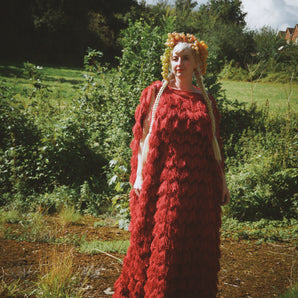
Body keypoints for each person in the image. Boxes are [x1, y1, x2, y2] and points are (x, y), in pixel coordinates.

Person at [113, 32, 230, 298]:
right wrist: (140, 177)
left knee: (194, 246)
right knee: (166, 241)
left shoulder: (206, 101)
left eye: (185, 58)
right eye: (175, 58)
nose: (179, 64)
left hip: (200, 188)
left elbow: (215, 148)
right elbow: (142, 139)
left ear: (197, 63)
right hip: (165, 183)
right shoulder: (156, 94)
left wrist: (222, 183)